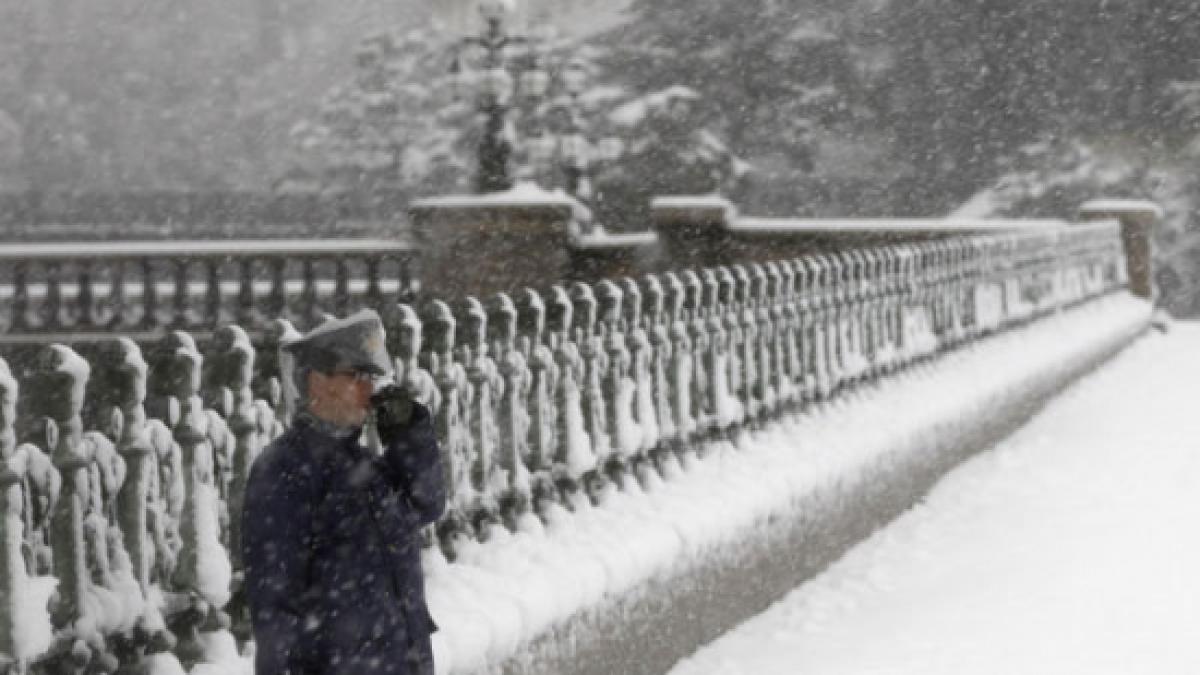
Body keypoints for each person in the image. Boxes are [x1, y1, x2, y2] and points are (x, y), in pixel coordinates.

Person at [242, 309, 446, 675]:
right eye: (356, 377)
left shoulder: (363, 465)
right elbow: (274, 601)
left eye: (370, 377)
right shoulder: (284, 469)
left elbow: (425, 504)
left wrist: (407, 436)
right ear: (318, 382)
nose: (369, 391)